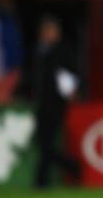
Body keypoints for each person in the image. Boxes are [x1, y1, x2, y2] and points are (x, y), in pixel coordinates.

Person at [33, 16, 80, 188]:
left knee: (46, 144)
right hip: (42, 105)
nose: (49, 34)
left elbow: (72, 78)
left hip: (55, 106)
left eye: (52, 30)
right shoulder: (40, 51)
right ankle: (69, 167)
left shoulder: (61, 52)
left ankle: (42, 181)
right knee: (44, 144)